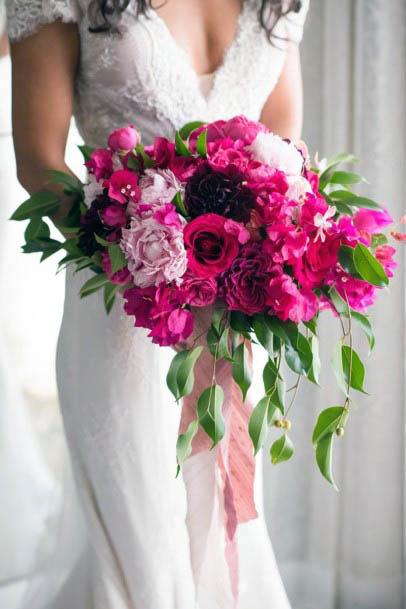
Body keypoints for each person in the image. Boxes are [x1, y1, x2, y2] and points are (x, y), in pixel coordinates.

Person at [6, 1, 310, 607]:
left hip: (231, 314)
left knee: (220, 520)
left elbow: (283, 137)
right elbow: (38, 163)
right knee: (138, 530)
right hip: (122, 307)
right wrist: (147, 252)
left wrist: (264, 248)